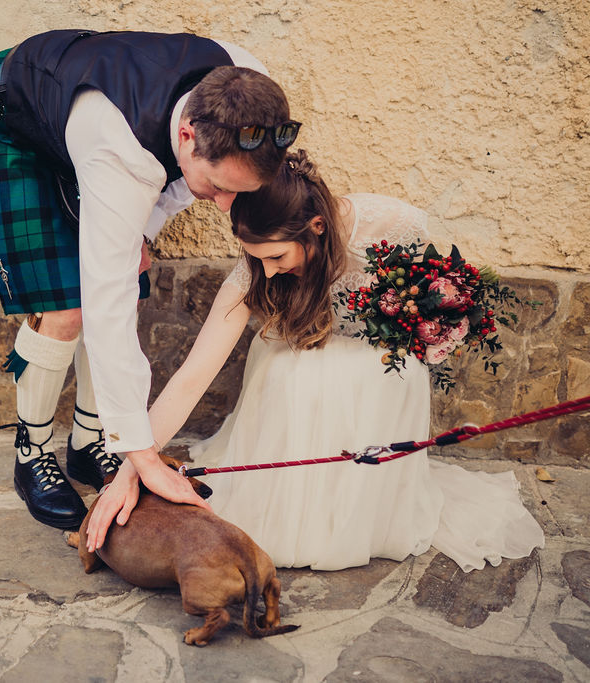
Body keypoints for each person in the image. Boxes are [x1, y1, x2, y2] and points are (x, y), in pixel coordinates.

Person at [86, 149, 545, 572]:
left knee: (385, 374)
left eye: (275, 256)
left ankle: (362, 513)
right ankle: (299, 510)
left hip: (377, 361)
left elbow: (439, 295)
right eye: (256, 258)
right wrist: (134, 467)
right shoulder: (255, 269)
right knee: (295, 374)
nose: (266, 270)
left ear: (317, 228)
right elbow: (193, 375)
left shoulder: (391, 226)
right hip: (301, 352)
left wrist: (433, 326)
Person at [0, 30, 300, 530]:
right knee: (70, 309)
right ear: (188, 137)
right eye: (217, 187)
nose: (222, 204)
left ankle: (90, 444)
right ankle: (32, 452)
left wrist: (142, 234)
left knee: (131, 275)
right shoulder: (119, 151)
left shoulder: (247, 93)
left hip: (86, 114)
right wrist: (143, 456)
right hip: (9, 118)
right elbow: (104, 303)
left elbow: (175, 184)